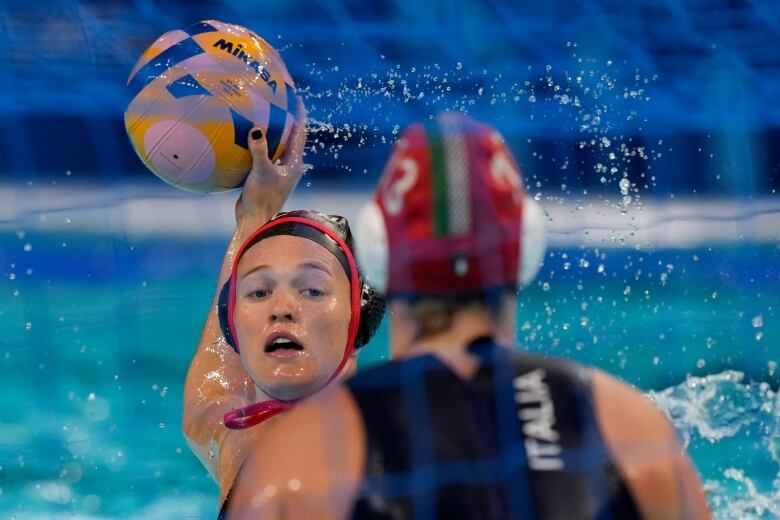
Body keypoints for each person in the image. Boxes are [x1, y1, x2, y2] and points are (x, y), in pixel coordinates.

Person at [223, 113, 711, 519]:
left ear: (378, 253)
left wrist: (252, 214)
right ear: (526, 248)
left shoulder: (302, 462)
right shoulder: (633, 433)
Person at [181, 97, 385, 507]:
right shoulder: (235, 439)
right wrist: (256, 212)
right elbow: (206, 400)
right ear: (232, 324)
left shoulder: (395, 448)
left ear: (361, 317)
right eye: (258, 292)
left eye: (311, 289)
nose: (281, 307)